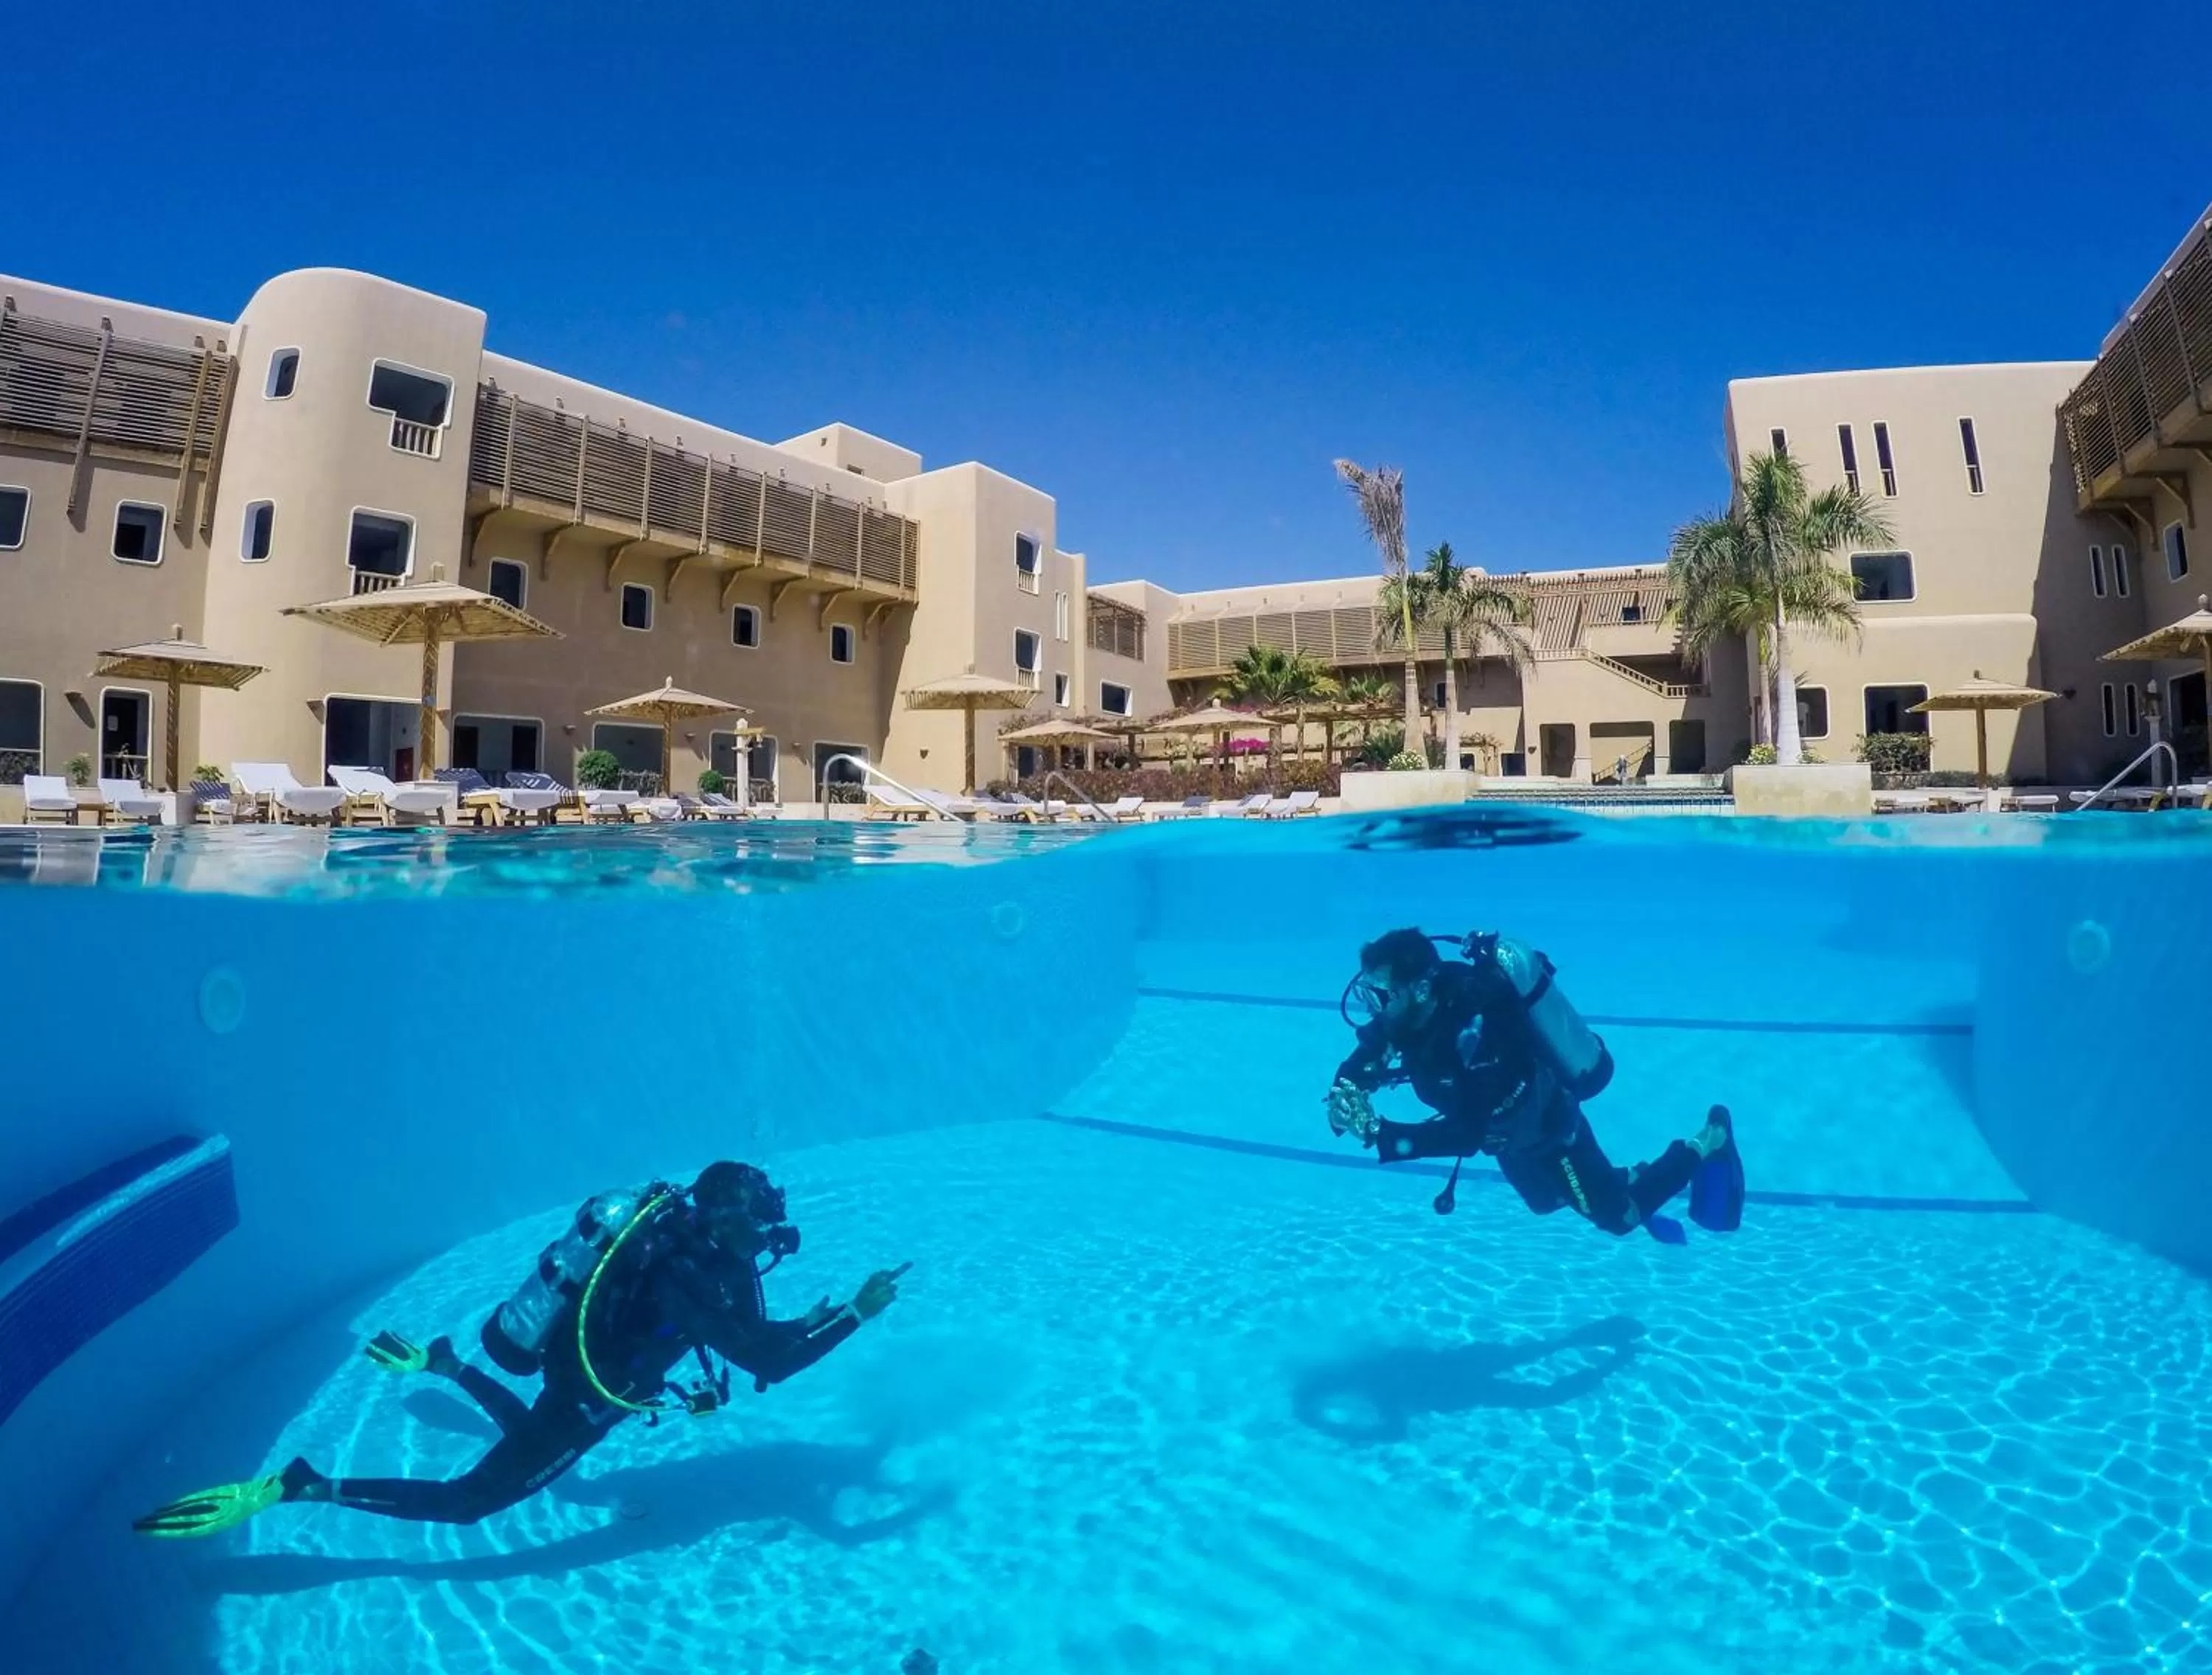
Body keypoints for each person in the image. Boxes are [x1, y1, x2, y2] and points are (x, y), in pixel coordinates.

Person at [133, 1161, 910, 1536]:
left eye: (762, 1229)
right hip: (586, 1392)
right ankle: (302, 1485)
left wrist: (815, 1315)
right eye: (748, 1232)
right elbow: (767, 1361)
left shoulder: (699, 1246)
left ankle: (449, 1363)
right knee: (472, 1501)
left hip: (577, 1369)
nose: (760, 1247)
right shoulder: (688, 1275)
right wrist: (856, 1313)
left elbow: (753, 1337)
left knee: (547, 1431)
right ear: (714, 1223)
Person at [1324, 928, 1743, 1240]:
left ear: (1418, 988)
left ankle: (1707, 1142)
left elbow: (1465, 1133)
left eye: (1380, 995)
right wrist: (1344, 1092)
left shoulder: (1477, 1030)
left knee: (1620, 1219)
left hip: (1553, 1134)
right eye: (1367, 993)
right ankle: (1623, 1180)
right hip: (1509, 1140)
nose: (1373, 1008)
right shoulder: (1408, 1015)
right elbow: (1369, 1054)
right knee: (1546, 1203)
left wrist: (1378, 1133)